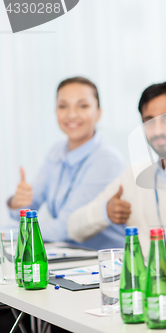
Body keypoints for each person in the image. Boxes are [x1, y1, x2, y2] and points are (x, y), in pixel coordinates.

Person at [68, 82, 166, 261]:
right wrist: (105, 212)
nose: (158, 130)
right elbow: (73, 229)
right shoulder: (134, 175)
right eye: (149, 121)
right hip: (145, 284)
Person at [5, 77, 125, 249]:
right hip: (69, 256)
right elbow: (27, 209)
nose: (71, 114)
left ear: (98, 113)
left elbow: (64, 228)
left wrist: (8, 233)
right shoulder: (57, 151)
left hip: (102, 261)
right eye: (63, 106)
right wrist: (18, 201)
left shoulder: (106, 160)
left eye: (82, 106)